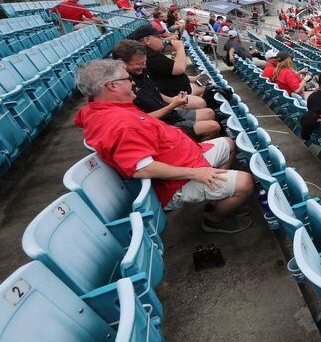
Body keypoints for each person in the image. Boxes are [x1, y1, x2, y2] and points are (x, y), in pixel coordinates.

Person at [74, 59, 254, 233]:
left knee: (228, 144)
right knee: (245, 183)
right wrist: (197, 173)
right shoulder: (119, 124)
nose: (133, 84)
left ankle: (217, 199)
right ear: (112, 86)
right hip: (176, 182)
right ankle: (214, 220)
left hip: (189, 158)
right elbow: (142, 169)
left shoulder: (106, 108)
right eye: (128, 79)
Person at [113, 39, 220, 141]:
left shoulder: (140, 72)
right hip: (162, 126)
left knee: (210, 113)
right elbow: (142, 119)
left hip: (168, 113)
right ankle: (190, 150)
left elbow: (154, 92)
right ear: (121, 62)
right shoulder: (121, 88)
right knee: (213, 126)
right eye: (139, 64)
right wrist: (172, 105)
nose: (144, 66)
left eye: (144, 62)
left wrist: (174, 101)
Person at [130, 24, 206, 97]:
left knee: (203, 85)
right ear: (147, 40)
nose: (162, 39)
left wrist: (194, 79)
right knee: (205, 89)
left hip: (178, 91)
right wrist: (180, 48)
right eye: (158, 37)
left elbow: (168, 72)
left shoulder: (150, 53)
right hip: (176, 95)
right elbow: (179, 68)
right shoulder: (149, 56)